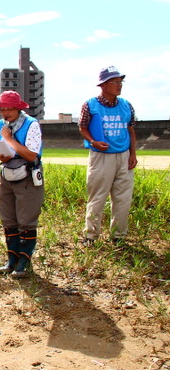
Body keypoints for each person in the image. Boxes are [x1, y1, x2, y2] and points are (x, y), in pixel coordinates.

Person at [79, 66, 137, 244]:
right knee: (97, 196)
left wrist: (132, 154)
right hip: (101, 157)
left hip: (123, 156)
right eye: (115, 82)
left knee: (123, 197)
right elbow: (82, 127)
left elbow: (131, 130)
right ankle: (91, 235)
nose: (119, 86)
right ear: (103, 85)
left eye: (121, 82)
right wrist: (93, 141)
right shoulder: (90, 105)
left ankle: (118, 236)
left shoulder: (126, 105)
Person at [0, 91, 44, 278]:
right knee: (8, 219)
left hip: (27, 175)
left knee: (26, 221)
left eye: (9, 109)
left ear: (18, 108)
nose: (5, 113)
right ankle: (11, 259)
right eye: (2, 109)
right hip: (6, 174)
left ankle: (25, 261)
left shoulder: (31, 124)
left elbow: (31, 154)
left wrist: (10, 141)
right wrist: (1, 154)